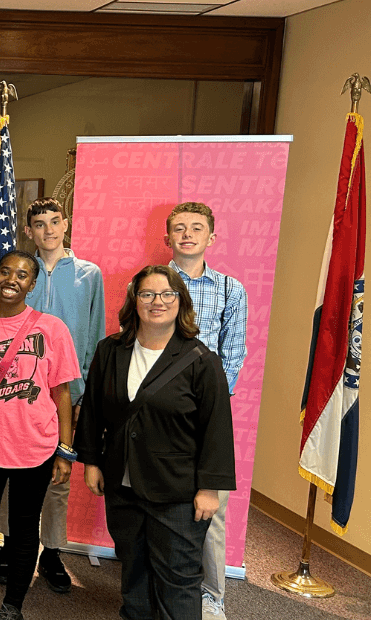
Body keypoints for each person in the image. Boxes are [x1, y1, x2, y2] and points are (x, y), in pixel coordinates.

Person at [75, 265, 236, 620]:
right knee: (133, 569)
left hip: (177, 493)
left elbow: (217, 428)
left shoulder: (201, 360)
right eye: (147, 294)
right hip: (123, 487)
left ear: (181, 302)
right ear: (135, 302)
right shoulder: (110, 350)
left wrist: (210, 488)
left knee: (177, 580)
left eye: (167, 294)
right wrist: (91, 461)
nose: (157, 302)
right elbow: (94, 412)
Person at [0, 250, 78, 620]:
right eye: (5, 272)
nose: (12, 279)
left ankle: (13, 607)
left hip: (36, 442)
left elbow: (63, 394)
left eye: (22, 275)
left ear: (32, 284)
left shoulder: (51, 328)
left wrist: (65, 449)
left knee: (24, 528)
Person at [0, 198, 106, 593]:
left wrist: (84, 392)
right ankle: (8, 544)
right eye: (39, 224)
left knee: (59, 474)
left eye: (54, 222)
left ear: (65, 224)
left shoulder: (88, 275)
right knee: (11, 470)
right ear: (29, 230)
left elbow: (94, 334)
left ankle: (53, 552)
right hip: (17, 393)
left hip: (66, 391)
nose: (48, 230)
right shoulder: (21, 271)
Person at [164, 201, 248, 620]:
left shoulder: (232, 290)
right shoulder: (153, 283)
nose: (187, 234)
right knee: (160, 502)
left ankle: (212, 597)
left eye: (196, 228)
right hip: (160, 413)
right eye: (179, 227)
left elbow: (233, 356)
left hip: (208, 415)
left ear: (211, 237)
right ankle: (157, 585)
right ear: (168, 238)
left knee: (211, 511)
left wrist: (207, 405)